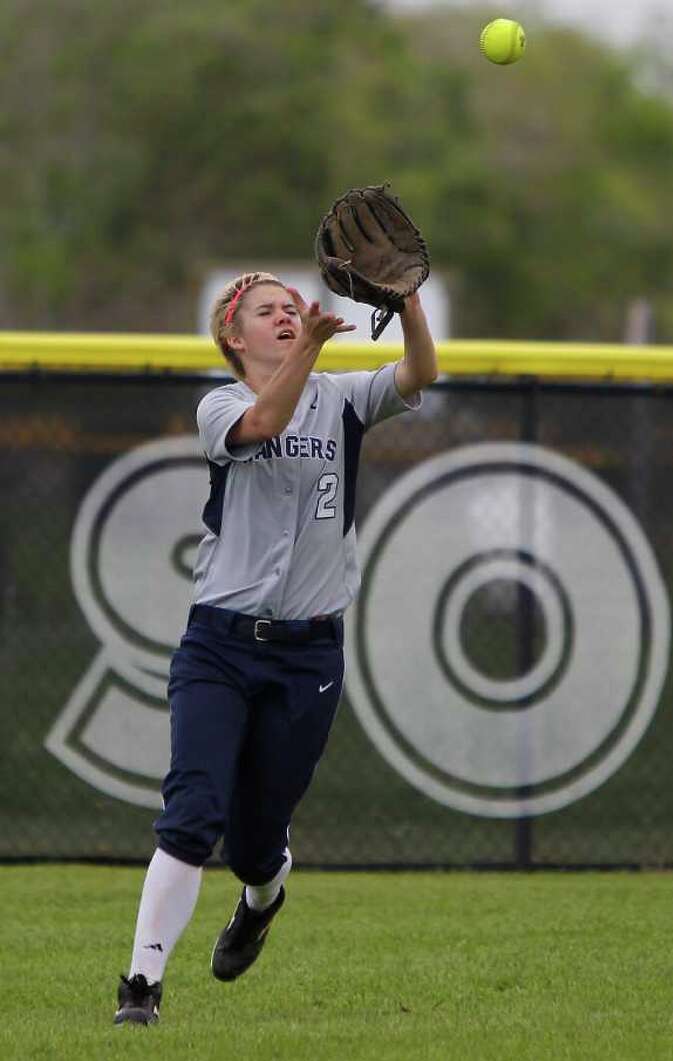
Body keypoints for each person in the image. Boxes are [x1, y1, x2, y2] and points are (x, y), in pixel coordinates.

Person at [113, 271, 438, 1025]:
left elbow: (422, 372)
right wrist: (313, 350)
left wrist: (409, 303)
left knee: (257, 842)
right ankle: (141, 986)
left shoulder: (345, 399)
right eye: (268, 312)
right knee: (193, 813)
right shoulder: (219, 404)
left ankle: (261, 901)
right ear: (235, 337)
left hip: (307, 656)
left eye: (293, 309)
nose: (288, 317)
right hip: (220, 646)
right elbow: (264, 421)